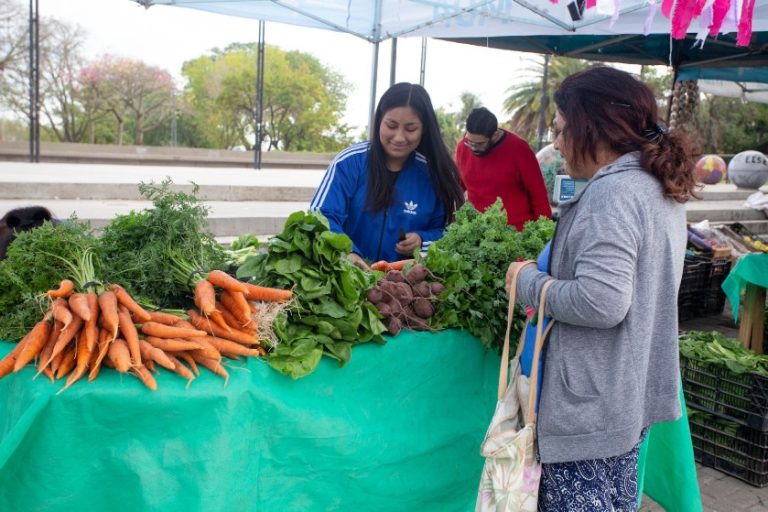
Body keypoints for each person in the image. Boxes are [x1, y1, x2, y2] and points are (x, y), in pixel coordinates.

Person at [504, 67, 699, 511]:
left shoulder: (613, 194)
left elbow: (601, 301)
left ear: (590, 126)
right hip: (623, 397)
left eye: (560, 130)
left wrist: (527, 283)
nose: (557, 144)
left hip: (590, 409)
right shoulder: (656, 184)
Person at [310, 82, 464, 269]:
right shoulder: (349, 163)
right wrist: (349, 253)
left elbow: (447, 233)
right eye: (391, 125)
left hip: (402, 282)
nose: (399, 137)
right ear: (379, 121)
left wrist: (422, 239)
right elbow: (320, 216)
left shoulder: (432, 175)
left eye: (410, 129)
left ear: (424, 129)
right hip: (345, 274)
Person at [455, 107, 551, 231]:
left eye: (480, 144)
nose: (473, 148)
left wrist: (544, 232)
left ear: (494, 135)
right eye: (470, 142)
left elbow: (538, 195)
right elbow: (457, 187)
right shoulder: (462, 147)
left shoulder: (520, 149)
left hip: (516, 232)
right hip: (478, 230)